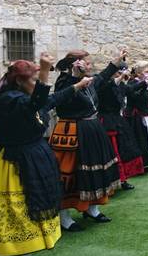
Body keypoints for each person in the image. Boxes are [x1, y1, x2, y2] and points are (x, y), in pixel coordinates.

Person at [0, 54, 92, 256]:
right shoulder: (9, 99)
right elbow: (38, 103)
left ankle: (19, 255)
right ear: (20, 81)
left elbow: (50, 101)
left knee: (31, 207)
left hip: (33, 157)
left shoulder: (22, 95)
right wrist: (44, 71)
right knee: (19, 211)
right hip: (14, 163)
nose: (35, 83)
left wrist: (77, 86)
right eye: (32, 79)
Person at [50, 49, 126, 231]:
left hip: (92, 130)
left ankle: (92, 209)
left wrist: (115, 62)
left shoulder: (89, 81)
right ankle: (64, 217)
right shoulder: (64, 81)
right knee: (70, 174)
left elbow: (101, 78)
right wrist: (75, 76)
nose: (90, 66)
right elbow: (61, 98)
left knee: (96, 170)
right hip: (72, 132)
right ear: (75, 64)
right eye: (87, 62)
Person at [98, 64, 144, 190]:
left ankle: (123, 180)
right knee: (113, 152)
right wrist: (120, 77)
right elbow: (106, 90)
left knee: (124, 149)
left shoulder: (121, 85)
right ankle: (110, 181)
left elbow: (131, 89)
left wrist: (146, 82)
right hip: (107, 122)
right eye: (119, 72)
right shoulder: (104, 84)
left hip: (118, 121)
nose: (120, 74)